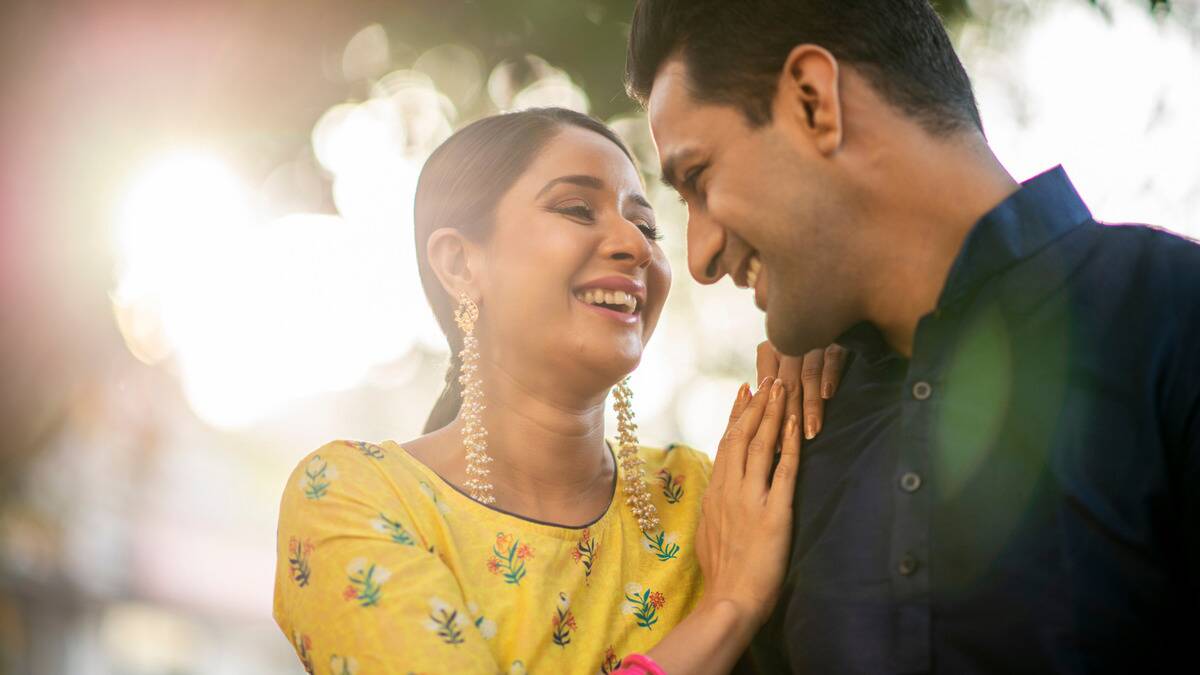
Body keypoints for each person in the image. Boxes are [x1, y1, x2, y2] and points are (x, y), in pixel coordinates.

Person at [626, 0, 1200, 673]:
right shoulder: (784, 458)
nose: (699, 256)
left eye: (698, 179)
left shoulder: (1171, 318)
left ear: (814, 102)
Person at [273, 107, 843, 674]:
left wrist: (838, 349)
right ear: (460, 263)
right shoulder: (359, 497)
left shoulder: (707, 496)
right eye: (576, 209)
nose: (636, 246)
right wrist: (728, 607)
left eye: (647, 227)